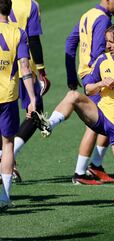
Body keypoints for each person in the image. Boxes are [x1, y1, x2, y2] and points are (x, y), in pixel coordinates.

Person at [32, 23, 114, 238]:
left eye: (111, 41)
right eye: (107, 41)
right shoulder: (102, 60)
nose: (107, 45)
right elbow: (88, 88)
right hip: (100, 116)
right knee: (73, 96)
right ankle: (48, 124)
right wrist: (102, 83)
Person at [65, 0, 114, 185]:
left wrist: (71, 75)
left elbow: (70, 43)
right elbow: (98, 53)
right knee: (95, 123)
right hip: (95, 77)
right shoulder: (103, 20)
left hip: (85, 74)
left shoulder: (88, 14)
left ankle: (96, 165)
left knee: (111, 114)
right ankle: (80, 173)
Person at [0, 0, 51, 183]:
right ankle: (7, 158)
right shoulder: (30, 5)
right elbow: (34, 39)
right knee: (35, 112)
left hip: (7, 70)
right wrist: (41, 69)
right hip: (20, 69)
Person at [0, 0, 36, 210]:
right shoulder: (18, 32)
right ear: (10, 10)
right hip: (8, 96)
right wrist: (31, 98)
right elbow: (24, 67)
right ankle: (4, 198)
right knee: (7, 145)